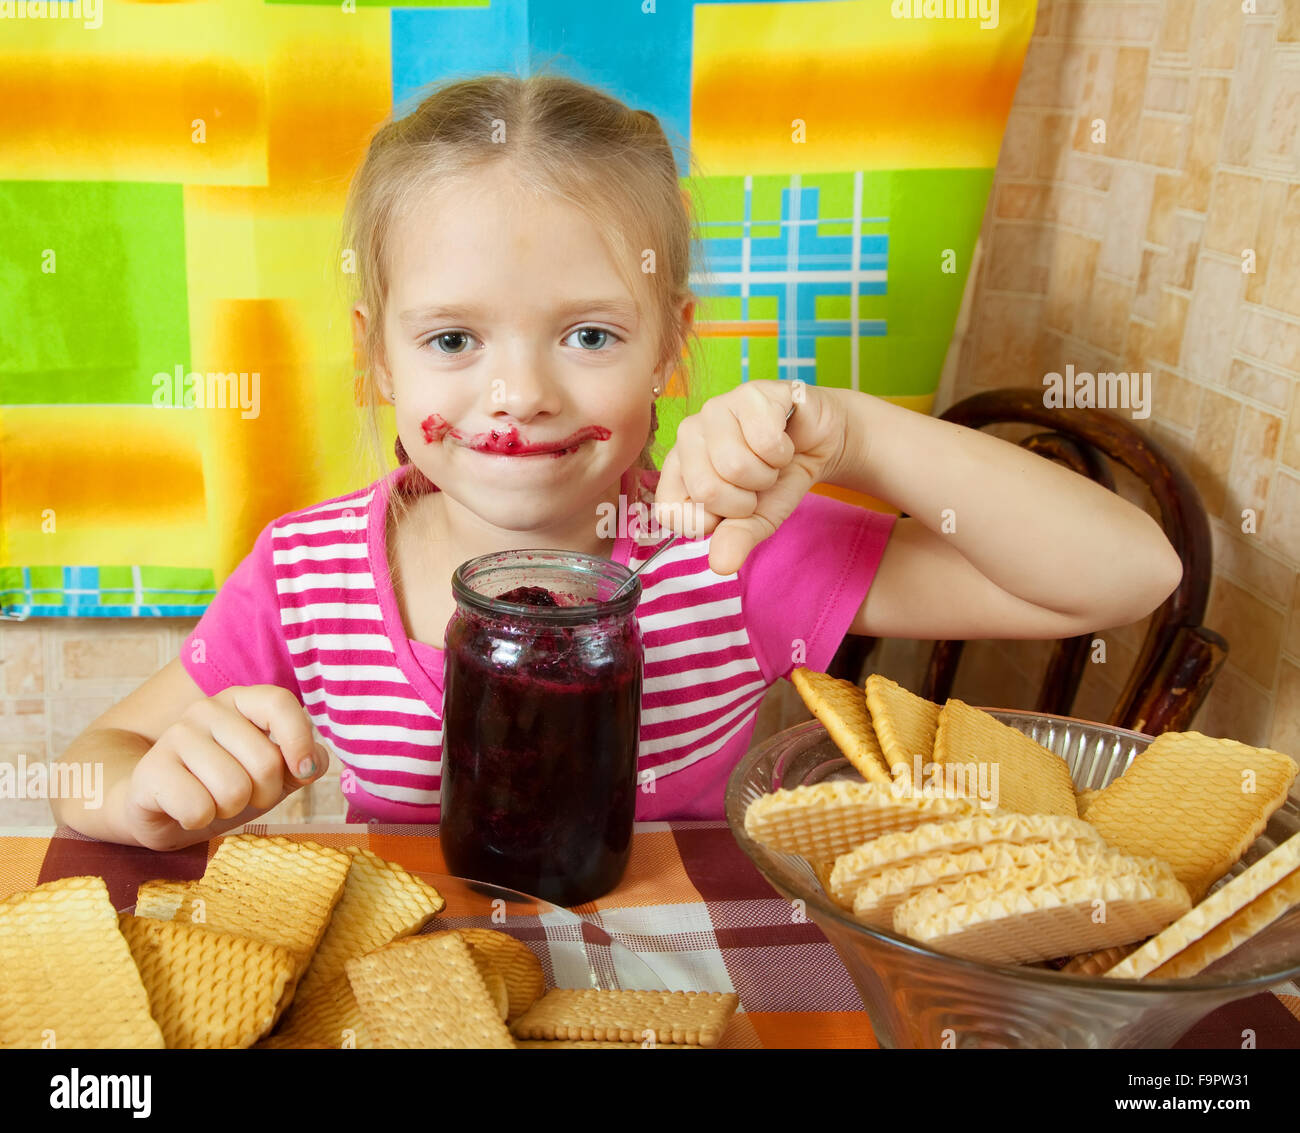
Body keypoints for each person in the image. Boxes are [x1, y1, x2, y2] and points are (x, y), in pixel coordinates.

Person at [51, 72, 1183, 850]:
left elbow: (1127, 576)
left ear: (670, 349)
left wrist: (854, 432)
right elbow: (85, 764)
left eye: (589, 335)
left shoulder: (724, 551)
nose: (522, 395)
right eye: (452, 339)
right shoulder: (306, 576)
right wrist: (146, 792)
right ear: (376, 361)